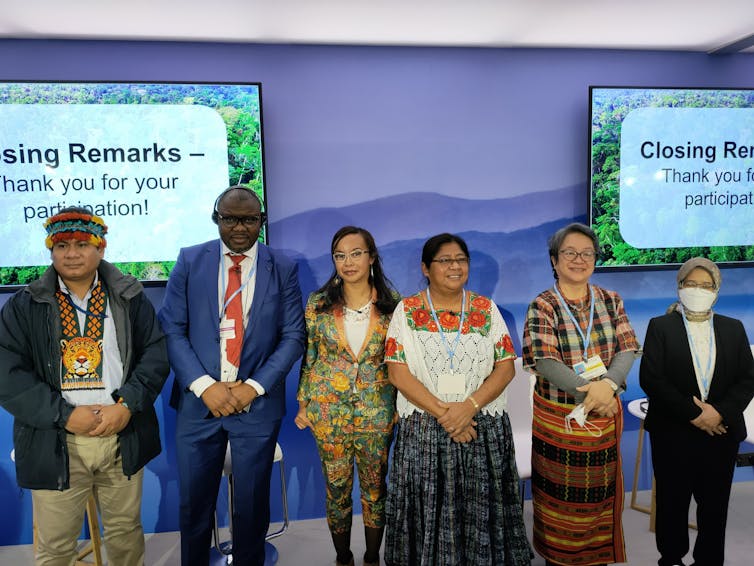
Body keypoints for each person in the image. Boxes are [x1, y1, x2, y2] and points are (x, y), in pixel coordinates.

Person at [0, 207, 169, 566]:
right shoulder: (25, 305)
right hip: (58, 440)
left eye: (81, 244)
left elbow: (155, 354)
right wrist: (64, 416)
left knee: (125, 536)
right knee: (57, 547)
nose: (71, 253)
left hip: (121, 433)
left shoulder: (129, 296)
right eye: (61, 245)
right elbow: (7, 374)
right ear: (51, 250)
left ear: (101, 248)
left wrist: (127, 405)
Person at [158, 185, 305, 566]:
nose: (240, 227)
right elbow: (172, 329)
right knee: (194, 506)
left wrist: (253, 388)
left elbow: (293, 336)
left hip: (255, 406)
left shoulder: (282, 267)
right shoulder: (191, 261)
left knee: (251, 506)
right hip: (198, 403)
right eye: (230, 218)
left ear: (261, 221)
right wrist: (205, 387)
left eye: (249, 219)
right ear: (216, 218)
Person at [383, 233, 532, 566]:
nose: (455, 266)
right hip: (425, 430)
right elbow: (398, 374)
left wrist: (468, 408)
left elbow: (506, 368)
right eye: (445, 260)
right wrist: (447, 415)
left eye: (461, 260)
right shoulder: (406, 311)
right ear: (425, 268)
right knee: (428, 511)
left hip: (482, 427)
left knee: (480, 509)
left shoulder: (485, 308)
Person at [522, 222, 639, 566]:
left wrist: (609, 386)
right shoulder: (542, 305)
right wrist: (593, 392)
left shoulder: (610, 299)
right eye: (570, 253)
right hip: (559, 424)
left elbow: (627, 348)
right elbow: (543, 360)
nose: (579, 259)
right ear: (554, 261)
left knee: (598, 502)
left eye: (587, 253)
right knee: (559, 505)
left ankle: (596, 559)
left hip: (602, 420)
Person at [295, 226, 400, 566]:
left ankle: (372, 557)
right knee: (336, 489)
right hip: (327, 412)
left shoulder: (393, 306)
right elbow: (309, 356)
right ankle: (343, 558)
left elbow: (402, 362)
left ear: (371, 257)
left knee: (374, 488)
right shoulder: (319, 303)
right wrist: (303, 403)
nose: (348, 261)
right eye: (340, 255)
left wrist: (399, 405)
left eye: (356, 253)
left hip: (378, 411)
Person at [639, 257, 754, 566]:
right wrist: (696, 414)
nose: (698, 290)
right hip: (673, 432)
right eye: (692, 284)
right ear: (680, 287)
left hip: (722, 434)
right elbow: (652, 378)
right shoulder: (660, 326)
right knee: (671, 503)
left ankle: (709, 560)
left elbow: (747, 379)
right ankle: (672, 558)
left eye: (706, 285)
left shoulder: (733, 328)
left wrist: (718, 413)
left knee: (714, 507)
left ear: (716, 290)